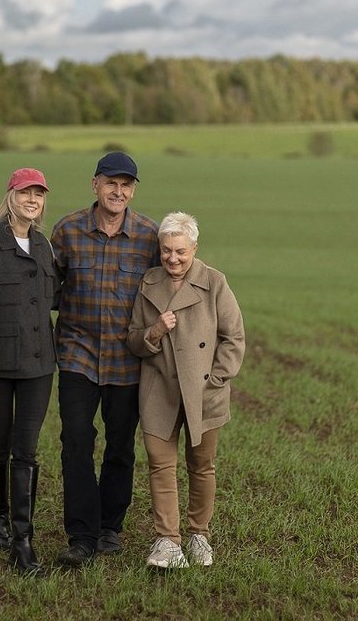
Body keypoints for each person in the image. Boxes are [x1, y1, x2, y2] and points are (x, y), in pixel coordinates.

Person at [50, 152, 160, 566]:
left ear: (133, 190)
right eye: (111, 183)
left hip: (127, 362)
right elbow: (48, 287)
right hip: (77, 355)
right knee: (75, 442)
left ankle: (110, 527)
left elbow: (168, 287)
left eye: (126, 185)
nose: (118, 191)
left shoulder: (149, 236)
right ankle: (81, 535)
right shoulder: (68, 231)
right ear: (94, 184)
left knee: (120, 447)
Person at [127, 212, 245, 569]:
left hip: (204, 392)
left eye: (181, 251)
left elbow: (234, 337)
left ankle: (198, 535)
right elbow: (133, 340)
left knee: (201, 467)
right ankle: (168, 542)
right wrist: (155, 331)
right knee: (161, 466)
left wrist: (215, 379)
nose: (173, 259)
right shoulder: (149, 284)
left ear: (195, 248)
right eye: (166, 251)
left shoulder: (214, 282)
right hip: (158, 390)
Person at [0, 167, 60, 575]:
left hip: (39, 363)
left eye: (39, 194)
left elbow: (53, 299)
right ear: (11, 196)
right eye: (26, 193)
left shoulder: (44, 245)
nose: (33, 200)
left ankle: (23, 539)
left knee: (27, 449)